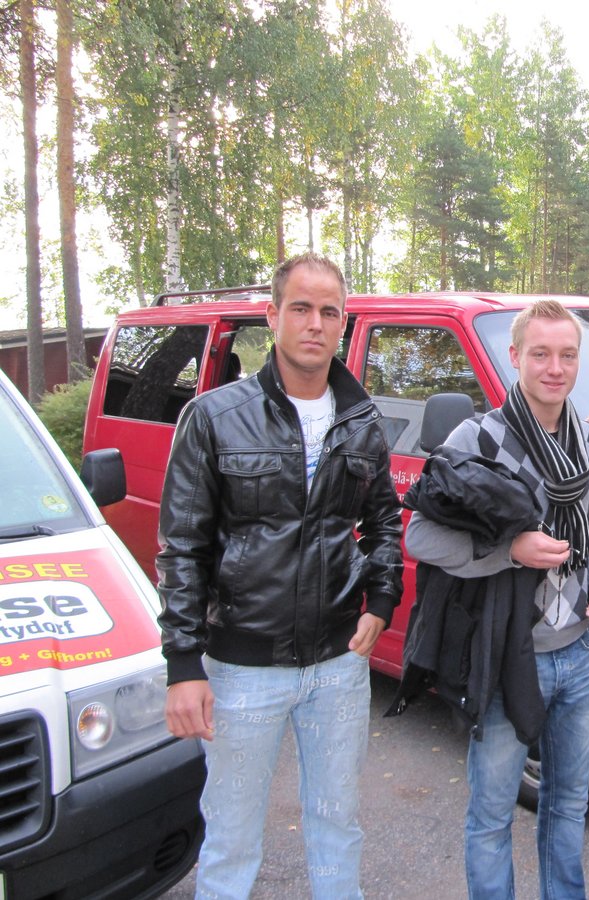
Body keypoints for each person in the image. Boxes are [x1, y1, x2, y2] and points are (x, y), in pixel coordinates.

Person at [157, 252, 403, 899]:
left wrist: (382, 597)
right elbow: (181, 547)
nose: (315, 323)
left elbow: (383, 520)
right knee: (232, 839)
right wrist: (183, 663)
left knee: (337, 825)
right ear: (272, 316)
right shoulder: (213, 417)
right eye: (301, 308)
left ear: (343, 324)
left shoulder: (362, 420)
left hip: (338, 667)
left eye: (329, 311)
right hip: (243, 670)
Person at [404, 300, 589, 900]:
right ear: (515, 357)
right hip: (507, 656)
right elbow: (420, 536)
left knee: (568, 804)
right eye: (541, 354)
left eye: (567, 355)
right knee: (492, 813)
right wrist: (510, 550)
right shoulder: (477, 438)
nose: (555, 368)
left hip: (579, 655)